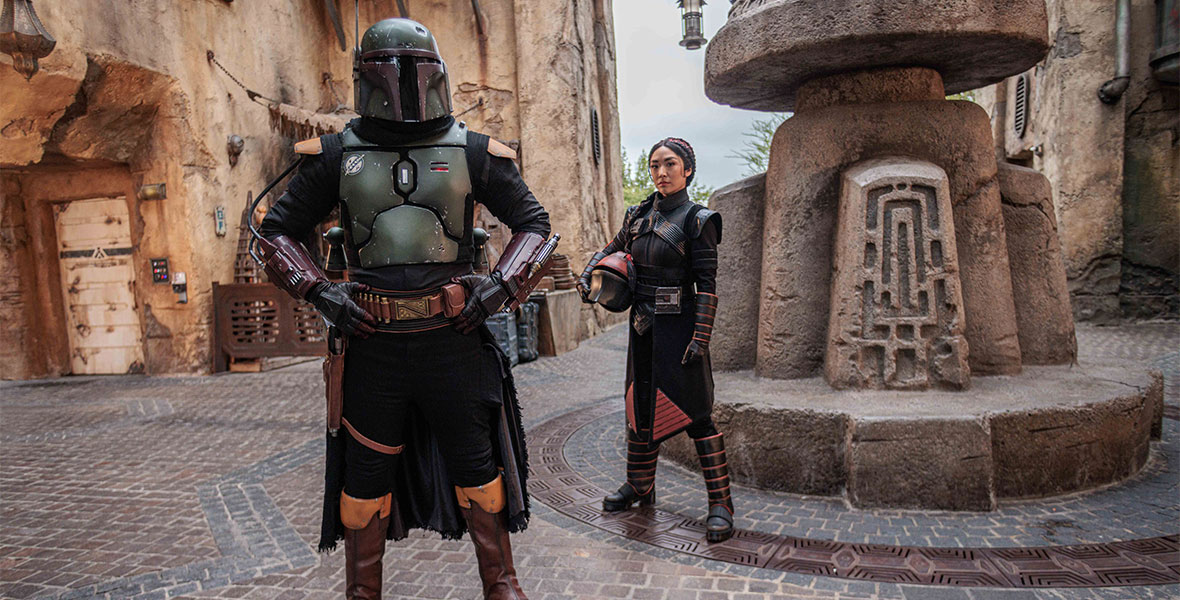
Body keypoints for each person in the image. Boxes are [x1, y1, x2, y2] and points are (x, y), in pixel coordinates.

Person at [257, 18, 549, 600]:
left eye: (411, 68)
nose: (401, 82)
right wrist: (320, 291)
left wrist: (497, 289)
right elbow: (274, 234)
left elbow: (535, 227)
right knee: (364, 480)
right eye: (388, 68)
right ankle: (363, 592)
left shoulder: (471, 150)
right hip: (372, 347)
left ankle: (503, 584)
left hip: (454, 339)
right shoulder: (337, 154)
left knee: (477, 466)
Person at [577, 137, 734, 543]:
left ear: (687, 170)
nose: (660, 172)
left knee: (697, 413)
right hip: (642, 326)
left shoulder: (699, 220)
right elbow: (610, 250)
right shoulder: (637, 215)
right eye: (653, 166)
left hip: (681, 328)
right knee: (639, 408)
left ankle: (720, 503)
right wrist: (587, 275)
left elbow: (708, 286)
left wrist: (701, 338)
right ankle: (640, 484)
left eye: (669, 164)